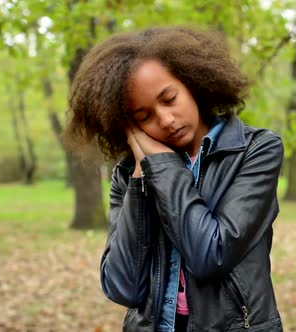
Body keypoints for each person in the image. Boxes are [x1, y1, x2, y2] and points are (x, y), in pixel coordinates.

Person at [64, 26, 284, 332]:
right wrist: (141, 183)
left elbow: (211, 254)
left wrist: (163, 164)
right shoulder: (129, 175)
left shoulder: (255, 150)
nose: (166, 120)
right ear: (129, 127)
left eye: (169, 98)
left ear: (193, 82)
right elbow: (123, 288)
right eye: (144, 117)